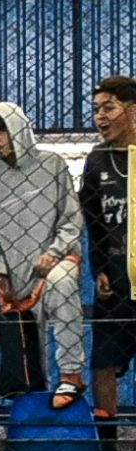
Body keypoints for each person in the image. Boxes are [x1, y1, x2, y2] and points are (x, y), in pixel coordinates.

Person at [0, 101, 86, 405]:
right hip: (15, 274)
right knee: (24, 343)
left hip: (55, 262)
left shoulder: (52, 165)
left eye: (2, 130)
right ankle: (32, 398)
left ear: (19, 129)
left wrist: (54, 252)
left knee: (63, 287)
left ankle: (71, 374)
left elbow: (71, 219)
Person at [77, 76, 136, 417]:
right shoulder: (97, 160)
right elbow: (94, 221)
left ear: (131, 111)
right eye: (96, 109)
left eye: (108, 108)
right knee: (104, 362)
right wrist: (98, 267)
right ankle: (107, 444)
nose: (100, 117)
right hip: (115, 280)